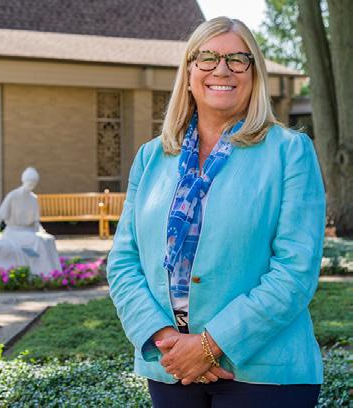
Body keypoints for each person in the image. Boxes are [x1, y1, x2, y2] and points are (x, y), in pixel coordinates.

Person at [107, 16, 325, 408]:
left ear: (254, 73)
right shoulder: (150, 157)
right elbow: (123, 261)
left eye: (237, 59)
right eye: (207, 58)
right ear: (189, 72)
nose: (221, 70)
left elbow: (295, 271)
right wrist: (166, 341)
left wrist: (209, 346)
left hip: (265, 373)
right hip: (171, 367)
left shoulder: (290, 152)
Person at [0, 167, 62, 276]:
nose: (31, 185)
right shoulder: (13, 196)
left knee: (48, 239)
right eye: (30, 182)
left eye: (34, 183)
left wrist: (42, 232)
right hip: (14, 232)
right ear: (24, 180)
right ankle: (43, 273)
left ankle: (54, 273)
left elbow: (35, 222)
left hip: (29, 231)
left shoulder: (33, 198)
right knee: (38, 241)